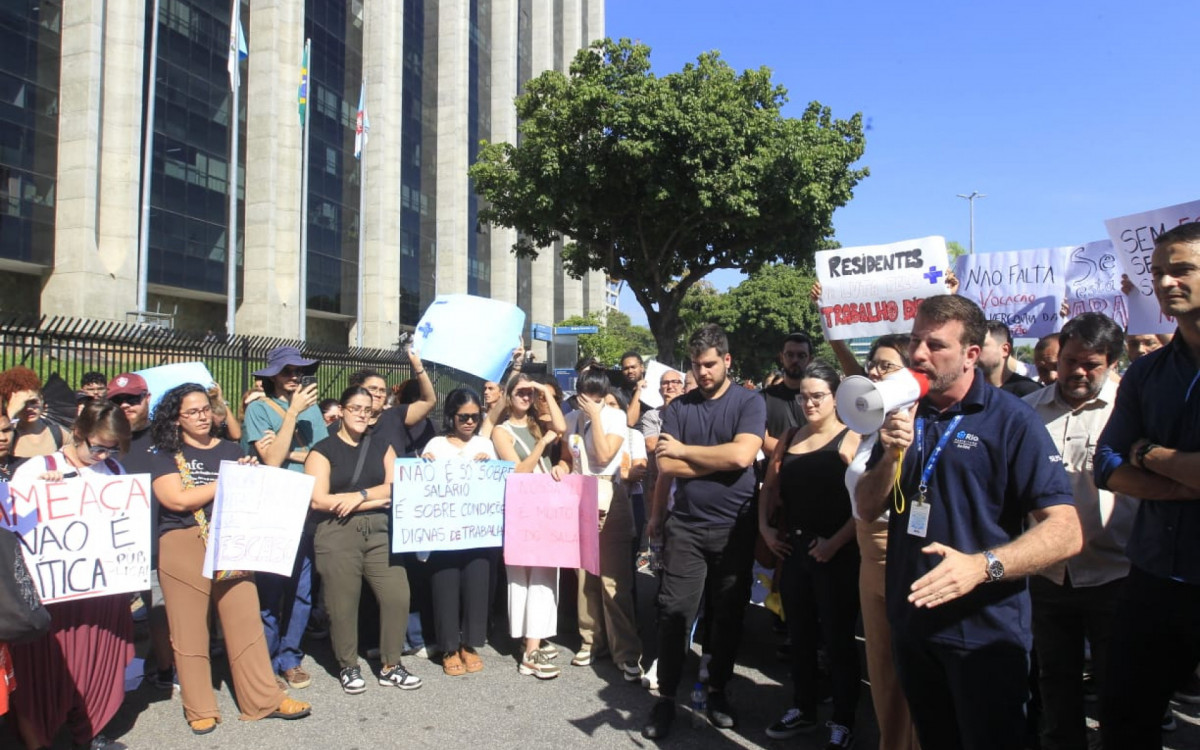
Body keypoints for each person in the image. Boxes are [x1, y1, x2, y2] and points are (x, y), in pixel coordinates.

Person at [853, 294, 1081, 750]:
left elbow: (1067, 531)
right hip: (913, 627)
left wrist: (982, 567)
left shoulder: (1012, 421)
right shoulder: (904, 412)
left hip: (983, 637)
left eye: (935, 344)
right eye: (916, 340)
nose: (918, 354)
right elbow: (866, 505)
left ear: (971, 354)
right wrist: (891, 457)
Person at [149, 384, 311, 735]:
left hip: (231, 542)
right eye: (191, 412)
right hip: (182, 543)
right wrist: (228, 479)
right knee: (189, 630)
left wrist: (248, 475)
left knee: (246, 622)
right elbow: (175, 499)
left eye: (205, 409)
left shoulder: (230, 448)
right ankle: (199, 707)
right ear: (176, 419)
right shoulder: (164, 453)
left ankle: (263, 699)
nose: (202, 417)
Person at [1094, 222, 1200, 747]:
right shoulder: (1146, 374)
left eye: (1181, 269)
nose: (1164, 282)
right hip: (1155, 575)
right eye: (1157, 272)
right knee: (1125, 723)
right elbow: (1108, 465)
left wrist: (1148, 453)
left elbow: (1128, 456)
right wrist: (1176, 477)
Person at [642, 324, 766, 740]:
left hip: (735, 528)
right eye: (696, 365)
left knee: (726, 616)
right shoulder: (678, 407)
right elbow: (667, 467)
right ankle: (665, 699)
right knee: (674, 614)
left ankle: (717, 691)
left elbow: (744, 454)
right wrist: (714, 459)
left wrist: (685, 451)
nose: (703, 372)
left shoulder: (749, 401)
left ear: (727, 360)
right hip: (687, 529)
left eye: (710, 364)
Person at [1020, 312, 1135, 750]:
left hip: (1116, 572)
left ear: (1112, 363)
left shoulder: (1131, 408)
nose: (1078, 373)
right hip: (1048, 575)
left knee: (1118, 683)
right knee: (1055, 678)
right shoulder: (1028, 412)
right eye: (1070, 362)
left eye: (1092, 364)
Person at [8, 401, 135, 750]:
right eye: (97, 446)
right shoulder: (36, 468)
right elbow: (16, 529)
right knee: (45, 671)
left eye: (113, 448)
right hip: (54, 596)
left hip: (101, 594)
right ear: (79, 433)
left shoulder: (117, 472)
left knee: (96, 663)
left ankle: (90, 731)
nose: (103, 454)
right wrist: (41, 493)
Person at [760, 361, 861, 749]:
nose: (809, 403)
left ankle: (844, 718)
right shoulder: (789, 436)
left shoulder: (852, 438)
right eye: (804, 396)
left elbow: (865, 506)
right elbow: (769, 490)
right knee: (799, 636)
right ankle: (803, 707)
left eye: (817, 396)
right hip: (797, 550)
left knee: (837, 640)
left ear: (836, 398)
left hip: (837, 552)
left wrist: (835, 542)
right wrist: (767, 531)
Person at [305, 386, 422, 694]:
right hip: (337, 531)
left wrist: (359, 498)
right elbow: (318, 500)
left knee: (397, 594)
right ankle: (348, 665)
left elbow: (394, 486)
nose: (361, 415)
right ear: (341, 411)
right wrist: (372, 498)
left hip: (379, 530)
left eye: (367, 411)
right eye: (355, 408)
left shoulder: (382, 445)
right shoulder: (322, 450)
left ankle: (391, 664)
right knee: (342, 604)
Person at [840, 334, 923, 750]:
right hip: (867, 554)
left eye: (886, 366)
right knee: (882, 670)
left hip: (900, 552)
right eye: (872, 363)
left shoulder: (921, 422)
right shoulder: (874, 421)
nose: (873, 371)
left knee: (909, 671)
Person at [243, 346, 327, 689]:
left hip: (305, 504)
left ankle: (290, 656)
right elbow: (272, 462)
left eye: (298, 371)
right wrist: (291, 415)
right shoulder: (259, 410)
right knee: (270, 589)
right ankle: (266, 659)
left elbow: (321, 456)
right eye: (287, 371)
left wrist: (287, 447)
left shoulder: (315, 411)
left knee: (302, 588)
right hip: (272, 507)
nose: (294, 376)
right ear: (273, 376)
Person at [556, 368, 642, 680]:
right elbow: (568, 456)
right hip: (580, 495)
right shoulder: (571, 420)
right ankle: (591, 640)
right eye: (584, 395)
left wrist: (597, 417)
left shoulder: (616, 418)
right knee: (585, 576)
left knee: (613, 578)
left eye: (596, 396)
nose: (589, 401)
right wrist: (560, 466)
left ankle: (626, 651)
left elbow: (605, 455)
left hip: (610, 492)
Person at [491, 374, 567, 679]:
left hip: (547, 508)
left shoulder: (539, 424)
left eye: (529, 393)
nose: (525, 397)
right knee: (522, 579)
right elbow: (519, 470)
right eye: (520, 392)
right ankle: (529, 644)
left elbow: (561, 427)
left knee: (545, 576)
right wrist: (543, 446)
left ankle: (532, 643)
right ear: (508, 397)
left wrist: (542, 393)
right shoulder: (501, 431)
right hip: (522, 509)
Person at [419, 388, 498, 676]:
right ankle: (449, 647)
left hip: (476, 533)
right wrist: (424, 466)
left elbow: (499, 485)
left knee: (477, 586)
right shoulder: (437, 445)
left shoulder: (486, 446)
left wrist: (490, 468)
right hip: (444, 535)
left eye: (475, 417)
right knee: (445, 586)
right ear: (451, 416)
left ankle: (470, 644)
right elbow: (423, 486)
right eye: (463, 416)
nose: (469, 422)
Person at [106, 372, 175, 692]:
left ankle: (164, 669)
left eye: (132, 399)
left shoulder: (166, 439)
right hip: (110, 550)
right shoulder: (101, 442)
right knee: (109, 620)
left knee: (159, 612)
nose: (125, 405)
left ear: (147, 399)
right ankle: (105, 677)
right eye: (117, 401)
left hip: (156, 545)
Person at [760, 332, 812, 456]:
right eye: (790, 355)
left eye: (801, 355)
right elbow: (762, 439)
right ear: (781, 357)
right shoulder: (763, 398)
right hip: (776, 472)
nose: (795, 360)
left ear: (810, 360)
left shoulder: (820, 398)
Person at [2, 366, 68, 458]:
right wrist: (11, 410)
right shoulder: (8, 435)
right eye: (23, 404)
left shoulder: (58, 433)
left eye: (33, 402)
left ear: (41, 399)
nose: (29, 408)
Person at [978, 321, 1042, 397]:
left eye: (980, 345)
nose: (972, 351)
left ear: (1005, 350)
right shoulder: (965, 393)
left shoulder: (1031, 392)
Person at [618, 351, 653, 429]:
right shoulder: (618, 394)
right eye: (626, 368)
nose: (630, 371)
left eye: (633, 367)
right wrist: (638, 390)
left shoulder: (655, 388)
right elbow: (630, 421)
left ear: (642, 368)